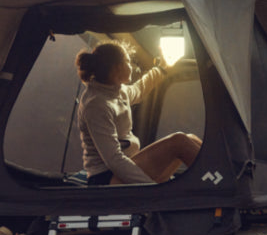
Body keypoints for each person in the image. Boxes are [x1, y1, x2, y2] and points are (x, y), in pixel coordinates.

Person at [75, 42, 201, 185]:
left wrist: (162, 68)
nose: (132, 66)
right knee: (179, 142)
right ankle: (222, 187)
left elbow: (139, 90)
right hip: (107, 178)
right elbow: (114, 159)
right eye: (128, 61)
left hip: (123, 167)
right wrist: (149, 188)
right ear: (117, 68)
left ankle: (228, 172)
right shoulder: (96, 105)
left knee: (190, 139)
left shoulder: (116, 90)